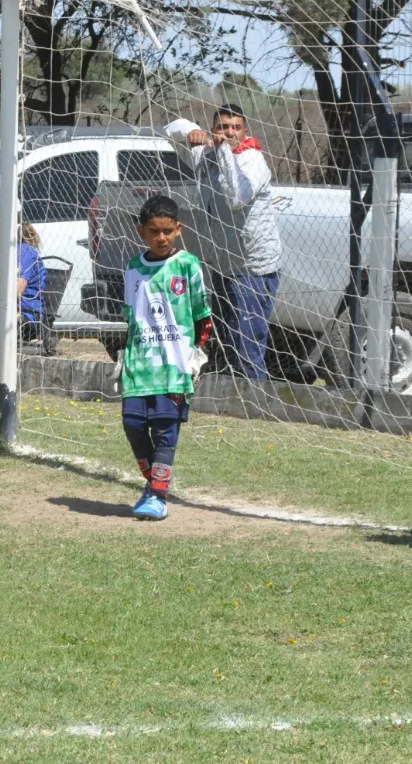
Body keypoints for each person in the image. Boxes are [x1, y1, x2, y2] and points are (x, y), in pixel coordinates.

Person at [166, 104, 287, 380]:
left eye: (236, 127)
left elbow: (236, 197)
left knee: (247, 347)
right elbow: (168, 129)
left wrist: (223, 150)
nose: (229, 132)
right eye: (222, 127)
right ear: (213, 129)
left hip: (253, 269)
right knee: (224, 342)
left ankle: (256, 405)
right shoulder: (204, 153)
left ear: (246, 132)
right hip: (222, 265)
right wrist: (192, 131)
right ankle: (229, 402)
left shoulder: (252, 160)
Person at [115, 195, 213, 521]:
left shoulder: (188, 265)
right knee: (132, 423)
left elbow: (203, 315)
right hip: (139, 363)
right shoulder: (133, 268)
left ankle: (157, 496)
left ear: (178, 230)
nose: (161, 238)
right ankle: (155, 482)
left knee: (165, 427)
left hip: (174, 364)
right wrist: (123, 354)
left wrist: (198, 353)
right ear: (142, 231)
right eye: (154, 232)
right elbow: (132, 317)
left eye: (168, 231)